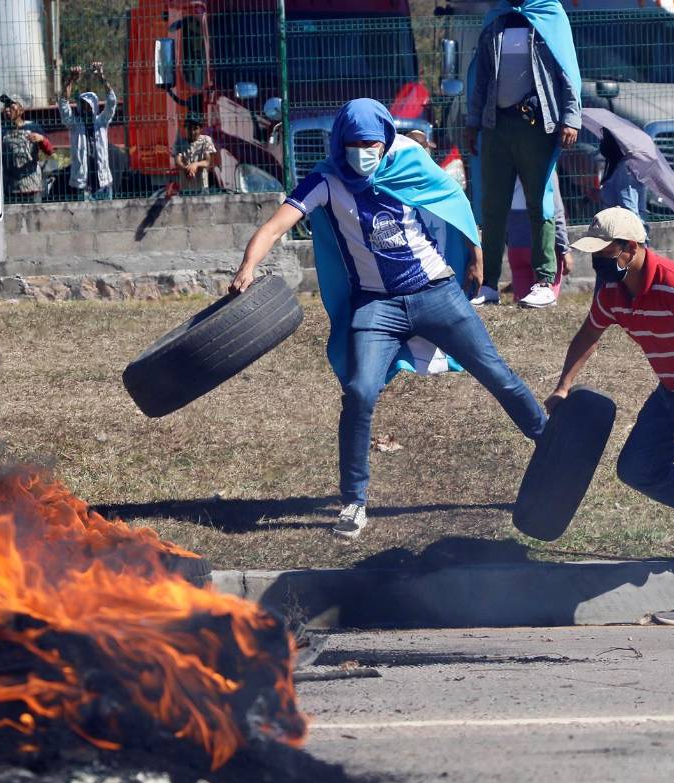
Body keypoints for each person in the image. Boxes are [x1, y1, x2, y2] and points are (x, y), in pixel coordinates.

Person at [230, 99, 547, 540]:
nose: (364, 153)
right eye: (355, 144)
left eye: (371, 144)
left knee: (495, 372)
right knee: (359, 391)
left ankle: (551, 444)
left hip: (435, 292)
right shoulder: (326, 180)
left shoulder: (407, 161)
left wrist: (476, 255)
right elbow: (273, 227)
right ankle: (353, 502)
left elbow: (452, 198)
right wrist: (247, 267)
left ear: (385, 140)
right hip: (376, 307)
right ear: (340, 143)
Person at [547, 207, 674, 626]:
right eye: (594, 254)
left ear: (631, 248)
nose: (598, 262)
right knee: (636, 468)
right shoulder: (612, 292)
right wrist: (563, 385)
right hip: (671, 393)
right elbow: (589, 334)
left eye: (605, 253)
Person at [465, 0, 581, 309]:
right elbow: (481, 77)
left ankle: (544, 282)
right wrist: (472, 122)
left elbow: (567, 69)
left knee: (539, 202)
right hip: (496, 126)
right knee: (492, 206)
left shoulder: (550, 15)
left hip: (536, 126)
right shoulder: (496, 18)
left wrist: (571, 118)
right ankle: (489, 285)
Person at [506, 173, 571, 303]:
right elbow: (556, 212)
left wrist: (508, 240)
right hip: (544, 246)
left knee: (522, 302)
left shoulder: (508, 170)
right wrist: (565, 249)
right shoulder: (547, 170)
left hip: (516, 245)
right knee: (545, 300)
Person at [60, 62, 117, 201]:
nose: (86, 109)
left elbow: (112, 101)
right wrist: (71, 79)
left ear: (94, 107)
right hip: (83, 185)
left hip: (103, 183)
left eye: (89, 106)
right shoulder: (75, 125)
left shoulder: (101, 122)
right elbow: (63, 105)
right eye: (83, 105)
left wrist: (101, 77)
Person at [1, 92, 54, 203]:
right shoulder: (2, 132)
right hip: (10, 188)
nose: (7, 109)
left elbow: (50, 151)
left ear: (21, 109)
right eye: (5, 106)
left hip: (31, 187)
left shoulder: (32, 127)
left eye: (11, 105)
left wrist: (42, 139)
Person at [172, 114, 217, 194]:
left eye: (195, 129)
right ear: (185, 129)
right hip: (185, 187)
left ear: (200, 129)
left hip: (202, 187)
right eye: (189, 128)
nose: (192, 132)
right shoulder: (180, 142)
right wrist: (187, 168)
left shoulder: (206, 140)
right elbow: (177, 161)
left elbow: (207, 162)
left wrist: (195, 165)